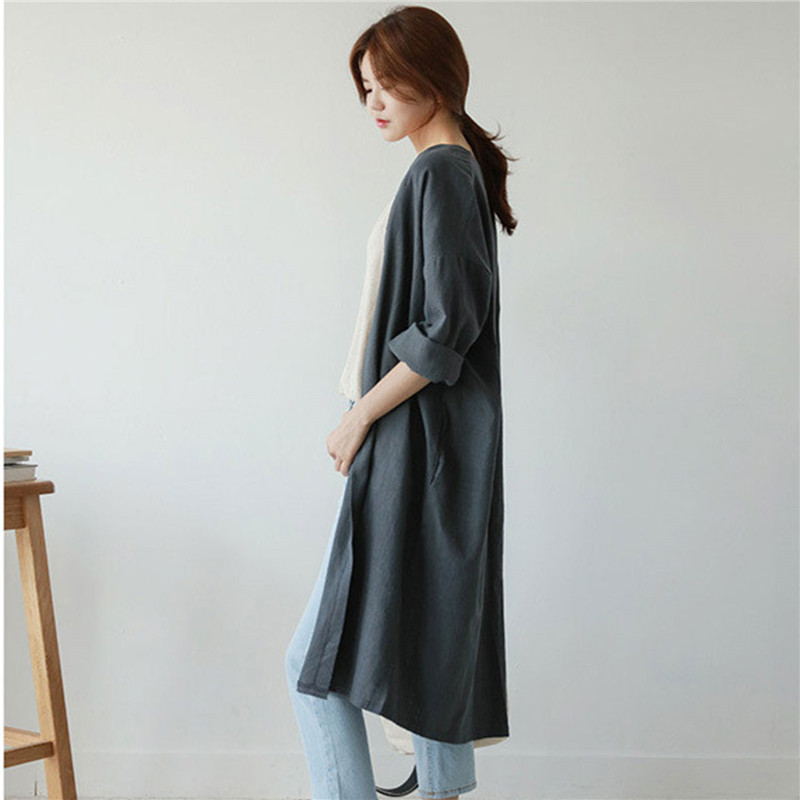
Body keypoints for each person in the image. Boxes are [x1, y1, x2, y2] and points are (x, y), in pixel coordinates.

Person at [285, 6, 517, 800]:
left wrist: (359, 416)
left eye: (388, 83)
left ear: (435, 80)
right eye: (366, 87)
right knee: (429, 640)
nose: (374, 101)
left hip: (416, 445)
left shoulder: (441, 172)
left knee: (314, 665)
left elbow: (446, 327)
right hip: (437, 448)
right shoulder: (452, 169)